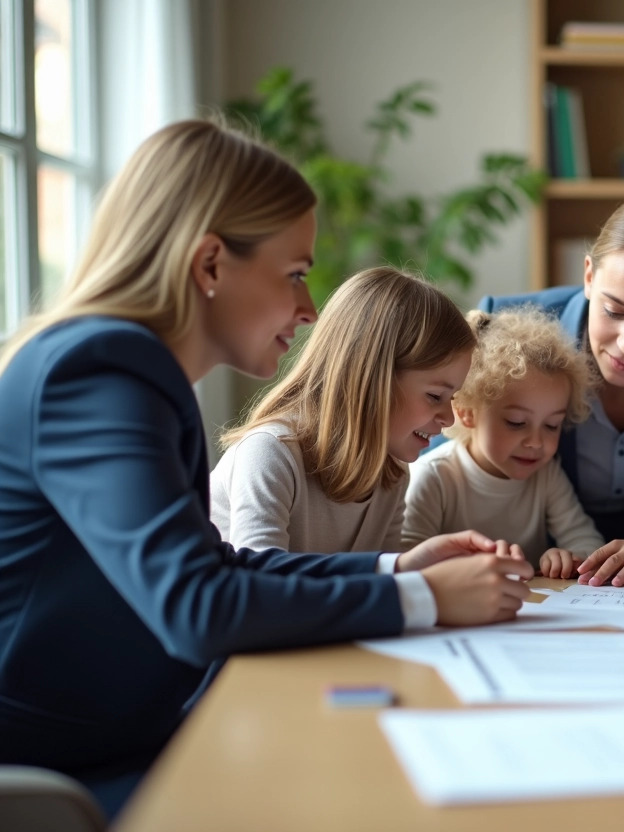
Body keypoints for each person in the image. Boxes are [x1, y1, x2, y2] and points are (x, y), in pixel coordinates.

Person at [0, 121, 531, 816]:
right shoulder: (100, 375)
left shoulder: (131, 373)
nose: (310, 309)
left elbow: (218, 566)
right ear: (211, 263)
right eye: (296, 275)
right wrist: (427, 601)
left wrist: (401, 572)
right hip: (64, 759)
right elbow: (199, 608)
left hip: (123, 731)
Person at [477, 192, 624, 587]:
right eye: (614, 312)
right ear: (588, 276)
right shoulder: (503, 328)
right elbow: (448, 461)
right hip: (528, 574)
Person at [213, 265, 486, 557]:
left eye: (452, 397)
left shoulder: (392, 474)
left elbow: (378, 590)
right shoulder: (269, 454)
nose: (449, 417)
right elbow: (261, 590)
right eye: (435, 396)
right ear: (371, 379)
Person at [403, 307, 604, 576]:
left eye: (552, 425)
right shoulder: (434, 477)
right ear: (467, 412)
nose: (536, 442)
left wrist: (570, 557)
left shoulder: (545, 476)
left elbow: (587, 541)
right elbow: (405, 559)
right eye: (516, 423)